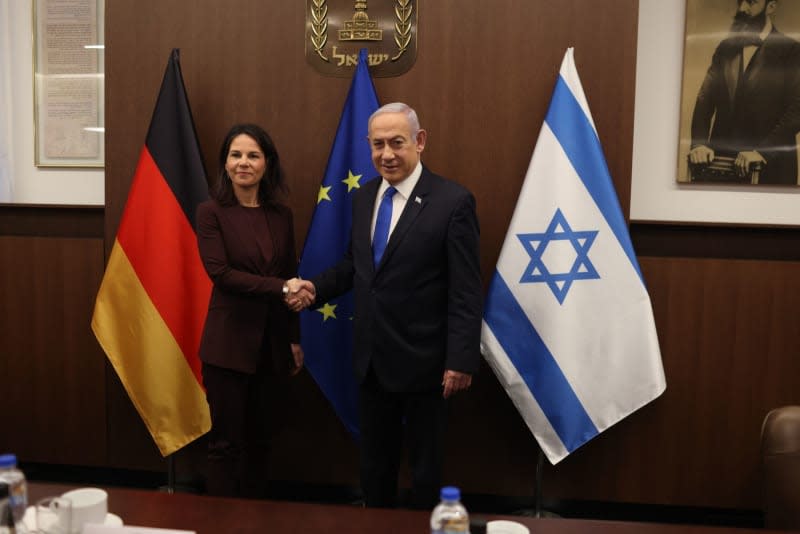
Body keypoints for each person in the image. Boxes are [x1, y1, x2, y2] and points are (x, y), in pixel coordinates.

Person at [287, 102, 482, 509]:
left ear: (419, 141)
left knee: (427, 473)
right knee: (375, 471)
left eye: (397, 143)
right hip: (372, 360)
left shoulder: (453, 201)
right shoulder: (363, 198)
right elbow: (353, 266)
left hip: (429, 365)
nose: (387, 154)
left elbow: (465, 289)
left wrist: (460, 359)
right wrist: (314, 290)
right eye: (378, 145)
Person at [196, 123, 309, 497]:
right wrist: (281, 288)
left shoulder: (281, 215)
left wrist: (293, 338)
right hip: (228, 348)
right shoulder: (210, 213)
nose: (243, 162)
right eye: (236, 154)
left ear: (267, 164)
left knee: (262, 444)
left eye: (253, 155)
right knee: (225, 445)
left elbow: (288, 272)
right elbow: (222, 274)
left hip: (271, 346)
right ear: (225, 163)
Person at [688, 0, 800, 184]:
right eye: (740, 1)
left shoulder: (793, 51)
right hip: (720, 165)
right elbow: (704, 99)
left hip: (771, 167)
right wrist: (699, 144)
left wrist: (762, 152)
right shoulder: (724, 49)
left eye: (751, 2)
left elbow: (797, 109)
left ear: (771, 7)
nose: (742, 8)